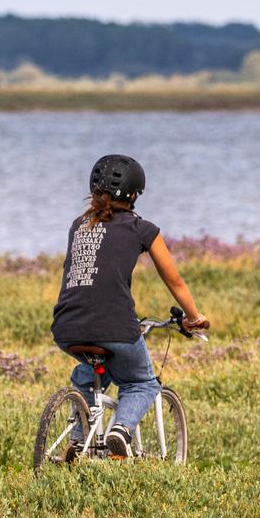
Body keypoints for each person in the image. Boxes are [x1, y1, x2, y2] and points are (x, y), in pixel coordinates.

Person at [50, 155, 209, 456]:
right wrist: (194, 317)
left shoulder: (78, 226)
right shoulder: (142, 228)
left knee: (89, 375)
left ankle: (77, 440)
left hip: (66, 328)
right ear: (135, 193)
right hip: (114, 327)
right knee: (142, 382)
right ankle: (121, 431)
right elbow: (174, 281)